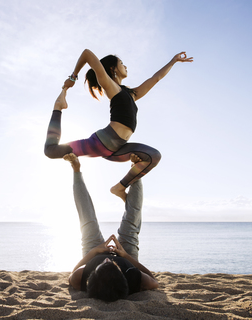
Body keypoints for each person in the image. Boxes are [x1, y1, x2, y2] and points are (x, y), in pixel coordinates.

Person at [44, 49, 193, 201]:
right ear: (112, 69)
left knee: (153, 157)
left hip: (117, 149)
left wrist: (173, 61)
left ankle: (119, 187)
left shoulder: (132, 94)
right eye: (121, 63)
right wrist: (73, 77)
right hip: (102, 143)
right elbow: (86, 54)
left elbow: (156, 78)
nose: (125, 66)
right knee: (50, 151)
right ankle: (58, 106)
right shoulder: (110, 86)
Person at [65, 153, 159, 302]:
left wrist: (95, 251)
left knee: (87, 219)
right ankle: (135, 169)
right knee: (132, 221)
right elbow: (154, 281)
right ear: (122, 274)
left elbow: (71, 274)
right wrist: (125, 256)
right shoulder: (133, 277)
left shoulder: (80, 278)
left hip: (93, 253)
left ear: (92, 274)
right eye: (111, 263)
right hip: (127, 257)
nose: (108, 259)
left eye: (104, 263)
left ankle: (76, 169)